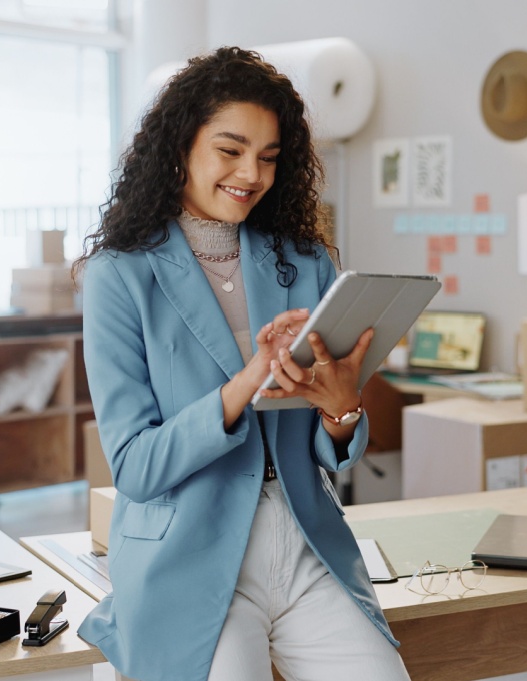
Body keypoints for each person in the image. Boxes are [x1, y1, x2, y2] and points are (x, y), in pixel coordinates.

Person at [74, 46, 410, 681]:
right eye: (230, 150)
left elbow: (330, 442)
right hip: (189, 556)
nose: (251, 173)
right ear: (181, 146)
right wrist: (248, 380)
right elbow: (137, 467)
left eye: (268, 157)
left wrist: (342, 409)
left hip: (305, 541)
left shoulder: (305, 262)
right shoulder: (118, 276)